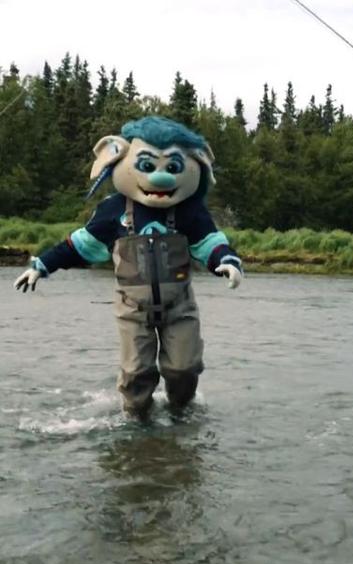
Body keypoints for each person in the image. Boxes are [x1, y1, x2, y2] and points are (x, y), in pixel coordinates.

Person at [13, 116, 244, 418]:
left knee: (183, 368)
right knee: (136, 372)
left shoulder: (190, 210)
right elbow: (79, 244)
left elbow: (210, 243)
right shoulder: (113, 210)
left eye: (172, 168)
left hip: (179, 307)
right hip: (132, 309)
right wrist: (41, 266)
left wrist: (226, 262)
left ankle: (181, 412)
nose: (160, 179)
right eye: (148, 166)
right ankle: (137, 426)